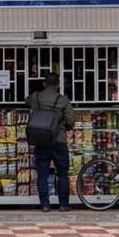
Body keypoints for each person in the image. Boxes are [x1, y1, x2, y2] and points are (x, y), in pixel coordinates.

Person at [26, 73, 75, 213]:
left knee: (42, 173)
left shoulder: (35, 97)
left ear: (44, 83)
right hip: (59, 139)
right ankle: (64, 204)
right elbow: (71, 121)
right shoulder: (63, 100)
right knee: (63, 173)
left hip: (41, 140)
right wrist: (64, 126)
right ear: (58, 85)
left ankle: (45, 204)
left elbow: (26, 100)